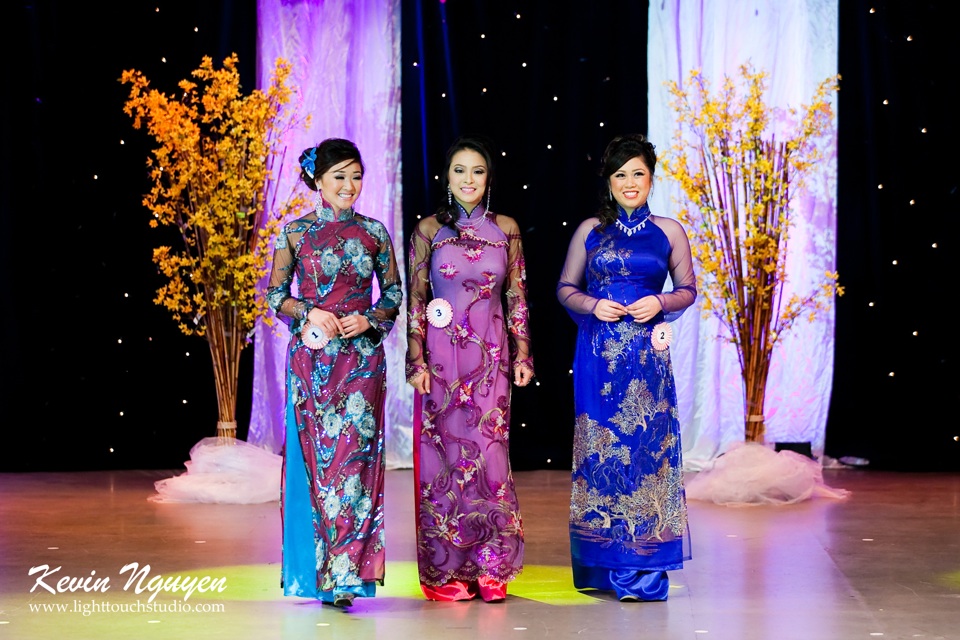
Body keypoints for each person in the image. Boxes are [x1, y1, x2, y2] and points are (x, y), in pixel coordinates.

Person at [556, 133, 696, 602]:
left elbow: (688, 290)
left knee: (646, 452)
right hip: (598, 355)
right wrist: (593, 305)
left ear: (651, 177)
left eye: (638, 173)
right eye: (620, 174)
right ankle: (602, 565)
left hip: (646, 357)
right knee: (601, 453)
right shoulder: (590, 230)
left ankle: (644, 571)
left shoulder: (670, 230)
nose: (630, 182)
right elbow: (565, 288)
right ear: (609, 181)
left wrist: (658, 299)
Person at [266, 138, 402, 608]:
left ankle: (348, 576)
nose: (349, 185)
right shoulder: (296, 234)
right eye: (339, 176)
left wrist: (370, 318)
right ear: (318, 182)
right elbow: (274, 295)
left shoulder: (375, 232)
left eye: (356, 175)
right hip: (313, 364)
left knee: (356, 467)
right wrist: (308, 312)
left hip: (362, 362)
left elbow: (393, 295)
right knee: (319, 467)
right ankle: (321, 573)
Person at [405, 134, 534, 602]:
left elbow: (517, 295)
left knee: (489, 454)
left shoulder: (506, 229)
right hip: (440, 362)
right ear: (447, 176)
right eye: (460, 170)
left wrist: (524, 355)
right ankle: (447, 570)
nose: (468, 179)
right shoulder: (428, 232)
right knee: (443, 460)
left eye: (477, 171)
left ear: (489, 178)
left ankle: (492, 565)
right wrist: (414, 361)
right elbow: (417, 299)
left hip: (492, 361)